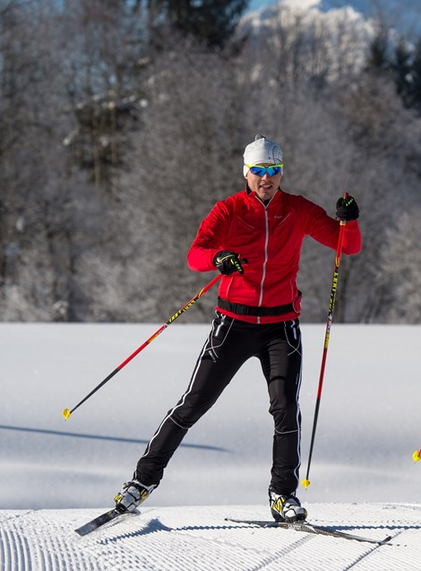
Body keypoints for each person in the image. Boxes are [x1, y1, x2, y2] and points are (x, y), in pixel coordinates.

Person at [113, 134, 362, 523]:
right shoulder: (229, 210)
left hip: (280, 327)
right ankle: (140, 482)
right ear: (247, 173)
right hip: (234, 323)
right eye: (260, 171)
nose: (267, 178)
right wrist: (219, 257)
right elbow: (195, 254)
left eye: (274, 171)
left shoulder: (296, 209)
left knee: (285, 409)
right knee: (193, 404)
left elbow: (346, 246)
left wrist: (349, 221)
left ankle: (283, 495)